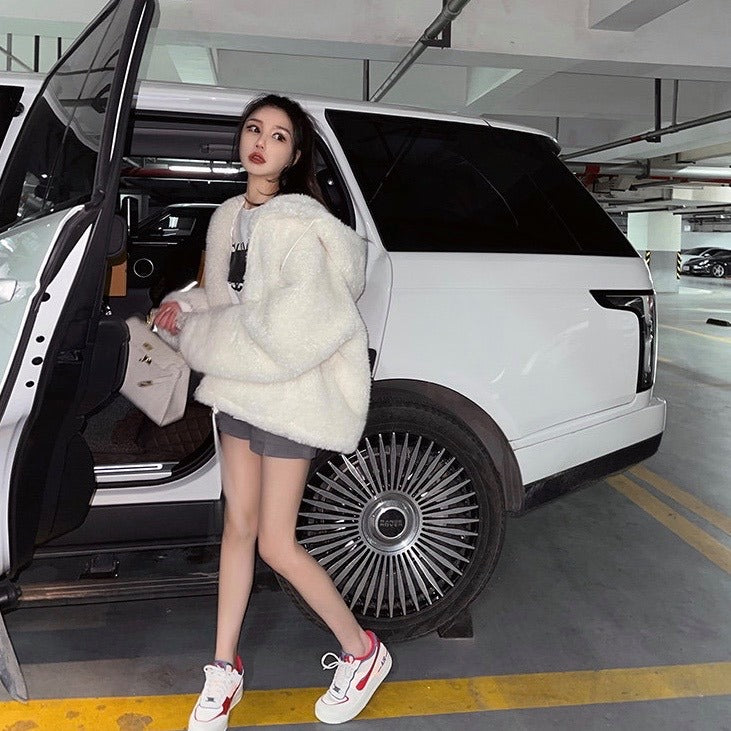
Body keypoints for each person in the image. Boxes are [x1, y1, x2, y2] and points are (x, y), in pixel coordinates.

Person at [153, 94, 391, 730]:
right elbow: (221, 296)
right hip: (239, 389)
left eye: (278, 136)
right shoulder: (227, 217)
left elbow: (297, 325)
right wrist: (185, 309)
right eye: (254, 129)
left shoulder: (301, 223)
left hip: (290, 394)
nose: (261, 143)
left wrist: (207, 338)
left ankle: (362, 651)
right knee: (238, 528)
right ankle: (223, 669)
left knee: (278, 543)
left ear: (294, 154)